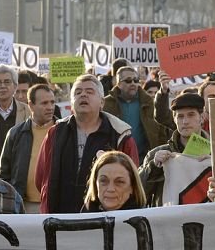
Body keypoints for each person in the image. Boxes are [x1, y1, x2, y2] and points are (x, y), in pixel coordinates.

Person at [36, 74, 138, 213]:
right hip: (60, 219)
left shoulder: (120, 135)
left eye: (89, 92)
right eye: (78, 92)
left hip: (104, 221)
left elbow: (132, 181)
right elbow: (42, 178)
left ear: (102, 102)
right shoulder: (56, 133)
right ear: (71, 103)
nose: (83, 95)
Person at [139, 93, 210, 207]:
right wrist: (153, 167)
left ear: (201, 117)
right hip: (167, 221)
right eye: (180, 116)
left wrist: (213, 164)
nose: (185, 121)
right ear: (174, 119)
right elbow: (137, 193)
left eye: (191, 115)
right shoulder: (155, 155)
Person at [0, 84, 57, 213]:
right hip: (23, 205)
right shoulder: (16, 134)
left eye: (52, 102)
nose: (50, 107)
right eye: (44, 103)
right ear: (31, 105)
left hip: (55, 205)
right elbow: (4, 174)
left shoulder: (63, 131)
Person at [103, 65, 165, 160]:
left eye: (136, 80)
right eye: (128, 81)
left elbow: (160, 125)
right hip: (116, 159)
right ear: (118, 84)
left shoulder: (147, 101)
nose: (133, 83)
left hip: (144, 159)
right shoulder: (106, 103)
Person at [81, 151, 147, 212]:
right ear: (95, 184)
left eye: (119, 182)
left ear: (132, 186)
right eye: (103, 181)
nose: (110, 189)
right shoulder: (83, 218)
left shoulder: (146, 221)